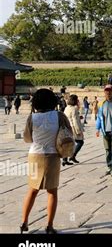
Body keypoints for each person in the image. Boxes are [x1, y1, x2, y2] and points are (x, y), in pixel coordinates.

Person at [21, 88, 73, 234]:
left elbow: (27, 138)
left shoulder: (32, 118)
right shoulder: (59, 116)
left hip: (35, 155)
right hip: (52, 155)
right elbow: (69, 133)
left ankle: (24, 222)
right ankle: (49, 226)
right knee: (52, 192)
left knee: (32, 190)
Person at [63, 94, 85, 165]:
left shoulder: (67, 108)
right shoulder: (74, 108)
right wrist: (78, 131)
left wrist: (79, 117)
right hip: (73, 128)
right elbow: (75, 121)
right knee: (80, 142)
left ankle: (65, 160)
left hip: (67, 127)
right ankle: (73, 156)